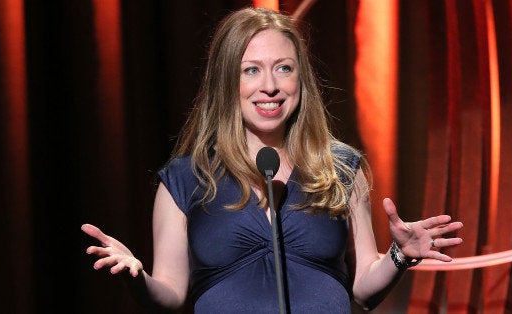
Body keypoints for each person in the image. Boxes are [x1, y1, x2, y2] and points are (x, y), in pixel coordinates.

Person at [82, 7, 463, 313]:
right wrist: (136, 277)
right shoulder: (186, 179)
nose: (270, 86)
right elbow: (170, 294)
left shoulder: (341, 168)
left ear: (302, 79)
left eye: (284, 68)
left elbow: (363, 290)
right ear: (226, 82)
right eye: (251, 70)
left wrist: (399, 255)